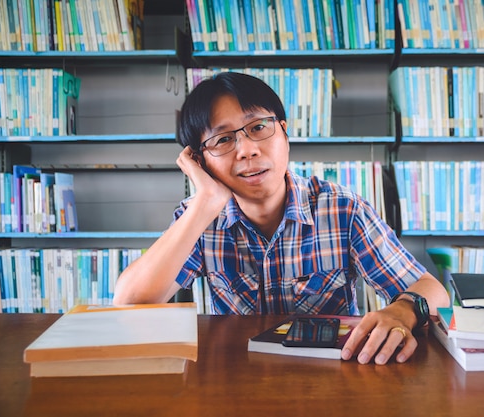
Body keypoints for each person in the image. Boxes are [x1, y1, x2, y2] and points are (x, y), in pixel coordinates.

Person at [113, 72, 450, 365]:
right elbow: (130, 303)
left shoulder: (341, 209)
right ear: (200, 162)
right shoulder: (200, 220)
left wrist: (402, 310)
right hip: (235, 378)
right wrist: (204, 203)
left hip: (336, 377)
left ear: (284, 133)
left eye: (258, 127)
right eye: (223, 139)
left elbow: (432, 291)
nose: (247, 150)